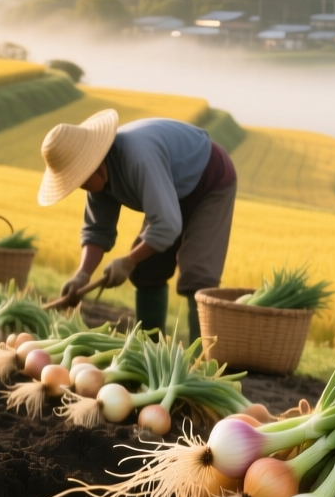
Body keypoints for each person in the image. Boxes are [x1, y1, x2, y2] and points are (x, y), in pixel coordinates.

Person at [37, 109, 237, 343]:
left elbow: (166, 224)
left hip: (209, 183)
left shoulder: (138, 157)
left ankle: (204, 361)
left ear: (94, 163)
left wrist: (128, 261)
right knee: (147, 270)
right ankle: (148, 349)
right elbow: (97, 230)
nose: (80, 186)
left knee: (198, 276)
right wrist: (82, 274)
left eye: (79, 179)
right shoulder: (97, 179)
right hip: (170, 186)